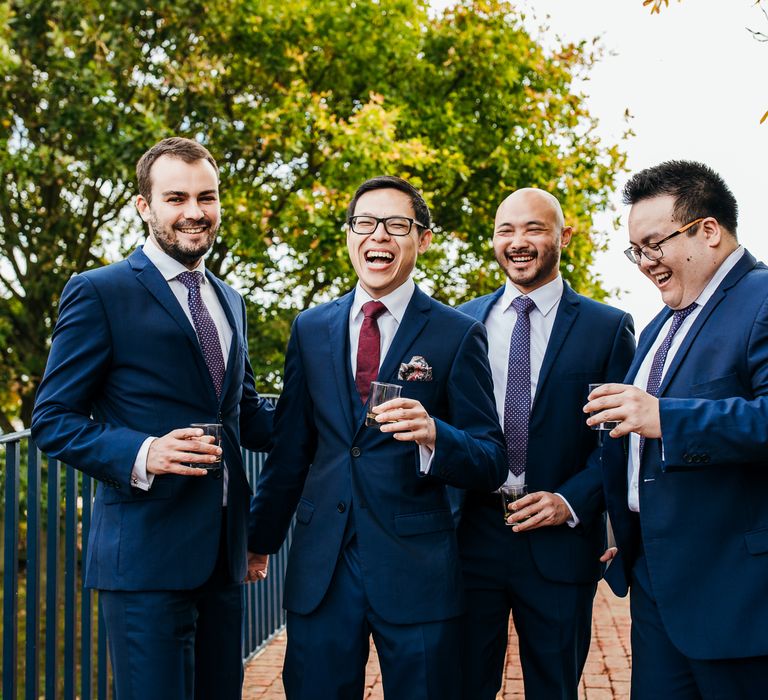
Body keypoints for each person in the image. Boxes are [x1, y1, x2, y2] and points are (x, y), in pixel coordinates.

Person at [31, 137, 274, 700]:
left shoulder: (229, 299)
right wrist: (144, 452)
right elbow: (52, 419)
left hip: (223, 562)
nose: (195, 212)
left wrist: (339, 404)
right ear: (145, 206)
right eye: (176, 197)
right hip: (143, 561)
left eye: (207, 197)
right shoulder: (98, 292)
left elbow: (243, 416)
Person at [246, 175, 507, 699]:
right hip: (323, 566)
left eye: (396, 225)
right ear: (349, 234)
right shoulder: (310, 327)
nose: (378, 236)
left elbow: (491, 458)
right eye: (365, 223)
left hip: (418, 569)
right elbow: (292, 448)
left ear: (424, 238)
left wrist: (436, 434)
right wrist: (259, 540)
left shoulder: (457, 333)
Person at [586, 160, 768, 698]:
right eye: (635, 250)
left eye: (653, 244)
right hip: (656, 587)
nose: (644, 263)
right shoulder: (659, 324)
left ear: (708, 231)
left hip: (738, 600)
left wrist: (666, 417)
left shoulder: (761, 299)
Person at [455, 188, 635, 699]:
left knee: (554, 689)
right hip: (472, 537)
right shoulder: (460, 322)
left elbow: (618, 444)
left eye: (534, 228)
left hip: (560, 546)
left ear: (564, 236)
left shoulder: (608, 327)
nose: (518, 242)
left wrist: (569, 501)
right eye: (505, 230)